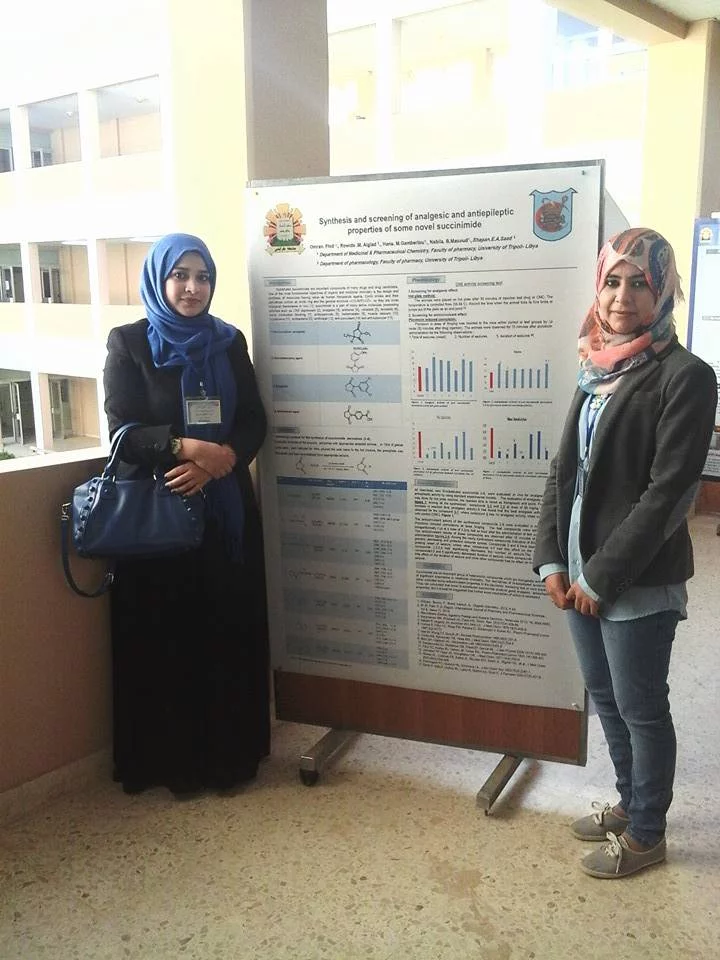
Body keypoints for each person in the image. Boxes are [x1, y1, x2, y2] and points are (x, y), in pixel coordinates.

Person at [533, 227, 717, 879]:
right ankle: (629, 800)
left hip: (636, 578)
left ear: (664, 291)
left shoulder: (687, 376)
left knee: (641, 708)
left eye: (641, 283)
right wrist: (553, 559)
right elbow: (565, 470)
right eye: (612, 281)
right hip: (580, 567)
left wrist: (602, 577)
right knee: (606, 698)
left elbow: (670, 494)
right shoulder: (596, 365)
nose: (622, 296)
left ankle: (647, 834)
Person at [103, 232, 270, 797]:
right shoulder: (128, 343)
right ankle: (171, 764)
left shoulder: (228, 341)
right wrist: (189, 450)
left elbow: (253, 419)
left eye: (202, 277)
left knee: (224, 633)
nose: (192, 288)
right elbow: (123, 432)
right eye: (180, 275)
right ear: (159, 279)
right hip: (159, 520)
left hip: (224, 516)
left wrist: (220, 463)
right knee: (167, 641)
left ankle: (228, 761)